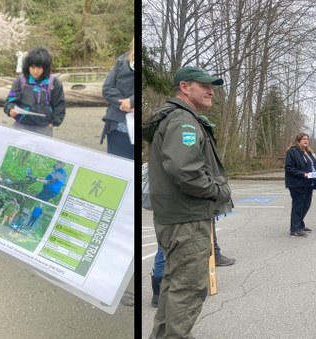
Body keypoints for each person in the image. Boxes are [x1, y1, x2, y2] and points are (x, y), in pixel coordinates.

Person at [142, 66, 233, 338]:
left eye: (213, 86)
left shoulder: (176, 117)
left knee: (174, 284)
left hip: (176, 218)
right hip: (187, 220)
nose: (211, 91)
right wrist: (218, 190)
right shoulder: (183, 121)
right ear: (184, 87)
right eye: (204, 85)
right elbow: (185, 171)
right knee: (188, 289)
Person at [4, 47, 66, 137]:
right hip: (21, 126)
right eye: (32, 67)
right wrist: (10, 110)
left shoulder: (54, 83)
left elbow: (60, 106)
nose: (35, 71)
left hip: (44, 128)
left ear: (45, 67)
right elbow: (9, 102)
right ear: (28, 66)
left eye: (39, 67)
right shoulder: (20, 82)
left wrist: (52, 124)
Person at [284, 133, 316, 238]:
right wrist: (303, 174)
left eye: (307, 139)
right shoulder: (292, 151)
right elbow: (289, 168)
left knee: (306, 205)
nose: (306, 141)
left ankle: (300, 225)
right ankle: (294, 230)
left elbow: (312, 166)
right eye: (303, 139)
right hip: (297, 183)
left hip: (308, 183)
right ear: (298, 141)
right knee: (298, 206)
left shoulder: (308, 153)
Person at [100, 38, 135, 159]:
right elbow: (107, 88)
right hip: (117, 124)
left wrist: (132, 101)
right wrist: (126, 103)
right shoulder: (122, 60)